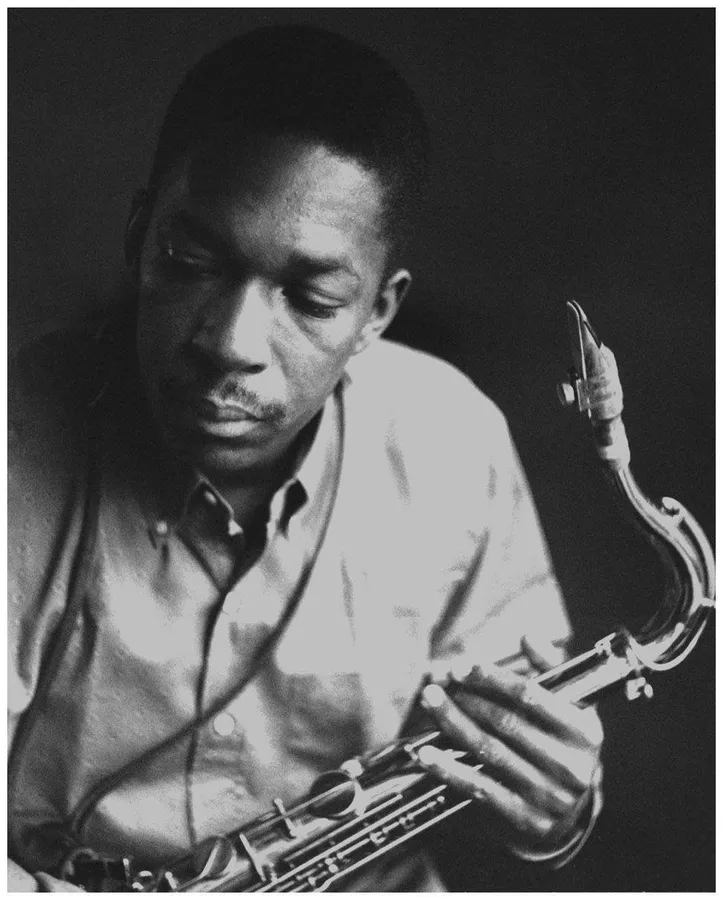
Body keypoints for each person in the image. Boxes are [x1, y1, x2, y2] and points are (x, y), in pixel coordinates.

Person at [8, 25, 603, 892]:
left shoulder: (453, 438)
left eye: (313, 298)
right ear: (138, 236)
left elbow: (499, 798)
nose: (232, 344)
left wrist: (553, 810)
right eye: (191, 261)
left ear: (376, 314)